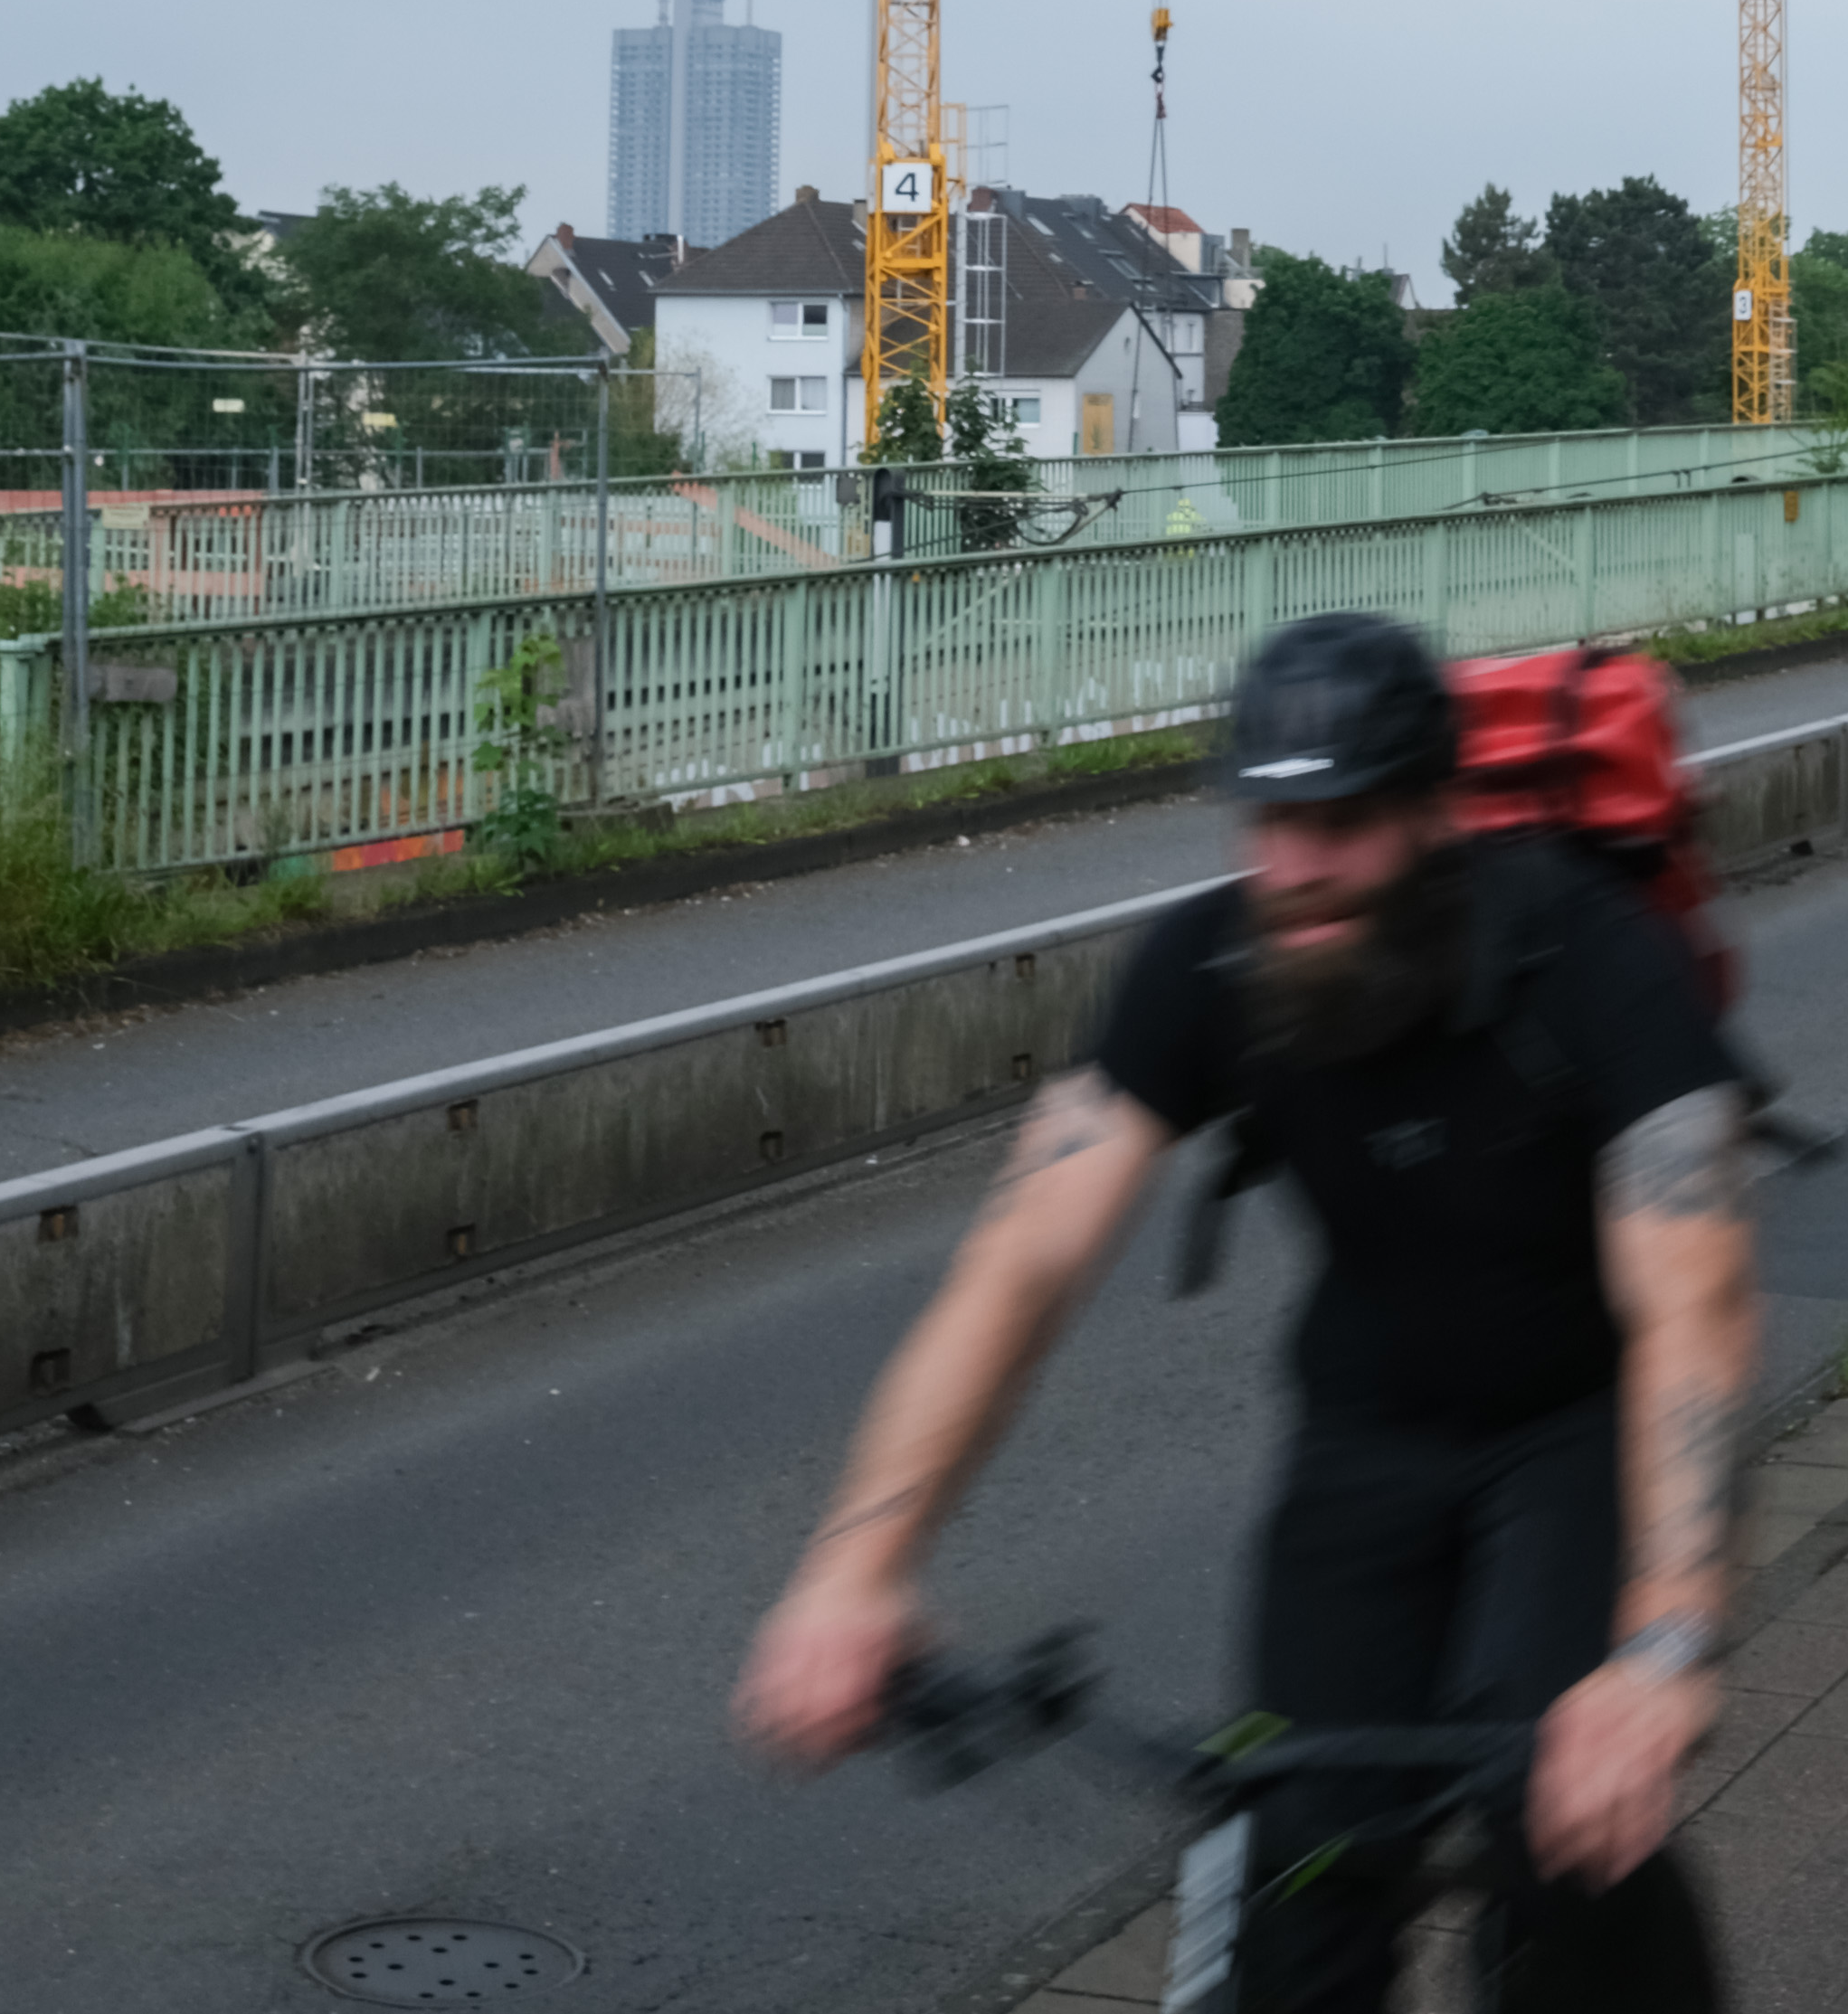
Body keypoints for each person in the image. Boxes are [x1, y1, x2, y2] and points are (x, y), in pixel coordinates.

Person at [733, 610, 1759, 2009]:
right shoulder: (1215, 963)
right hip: (1364, 1435)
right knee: (1305, 1856)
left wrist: (1665, 1643)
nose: (1298, 866)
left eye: (1342, 821)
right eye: (1270, 822)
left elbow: (1694, 1296)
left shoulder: (1584, 952)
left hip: (1576, 1430)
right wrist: (856, 1568)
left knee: (1563, 1815)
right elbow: (1023, 1258)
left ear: (1434, 811)